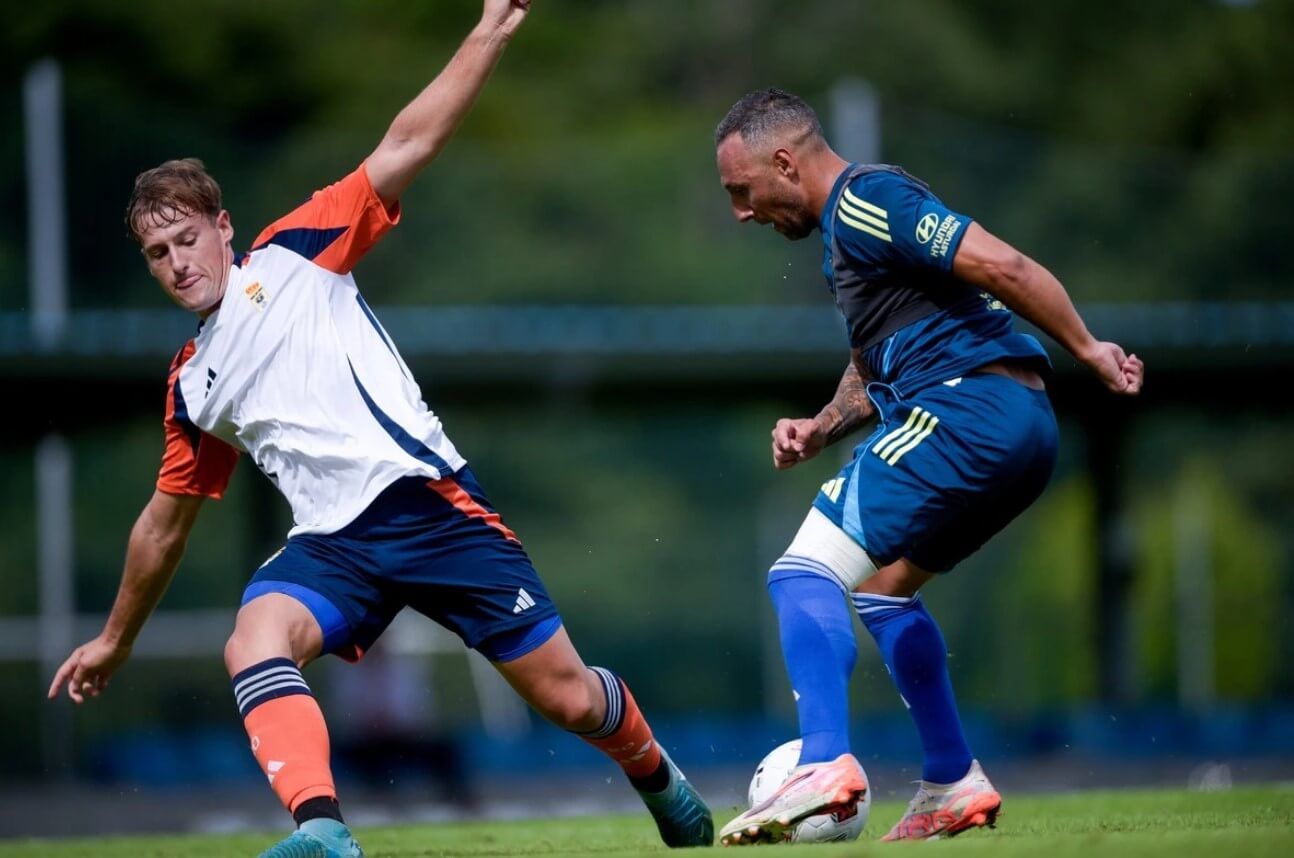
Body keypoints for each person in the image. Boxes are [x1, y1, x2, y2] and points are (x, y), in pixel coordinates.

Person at [45, 3, 713, 855]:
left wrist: (493, 29)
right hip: (334, 545)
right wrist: (112, 639)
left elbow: (404, 145)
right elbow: (163, 525)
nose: (178, 263)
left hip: (426, 507)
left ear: (223, 228)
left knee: (572, 700)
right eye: (157, 254)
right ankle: (323, 834)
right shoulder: (191, 385)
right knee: (252, 639)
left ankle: (657, 775)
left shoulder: (294, 254)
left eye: (187, 239)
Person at [712, 89, 1143, 845]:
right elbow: (873, 360)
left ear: (783, 162)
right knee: (884, 591)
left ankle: (821, 764)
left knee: (801, 572)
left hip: (969, 412)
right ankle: (952, 778)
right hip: (1011, 427)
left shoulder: (868, 201)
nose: (741, 213)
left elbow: (1001, 264)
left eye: (741, 191)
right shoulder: (846, 239)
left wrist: (1088, 348)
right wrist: (820, 428)